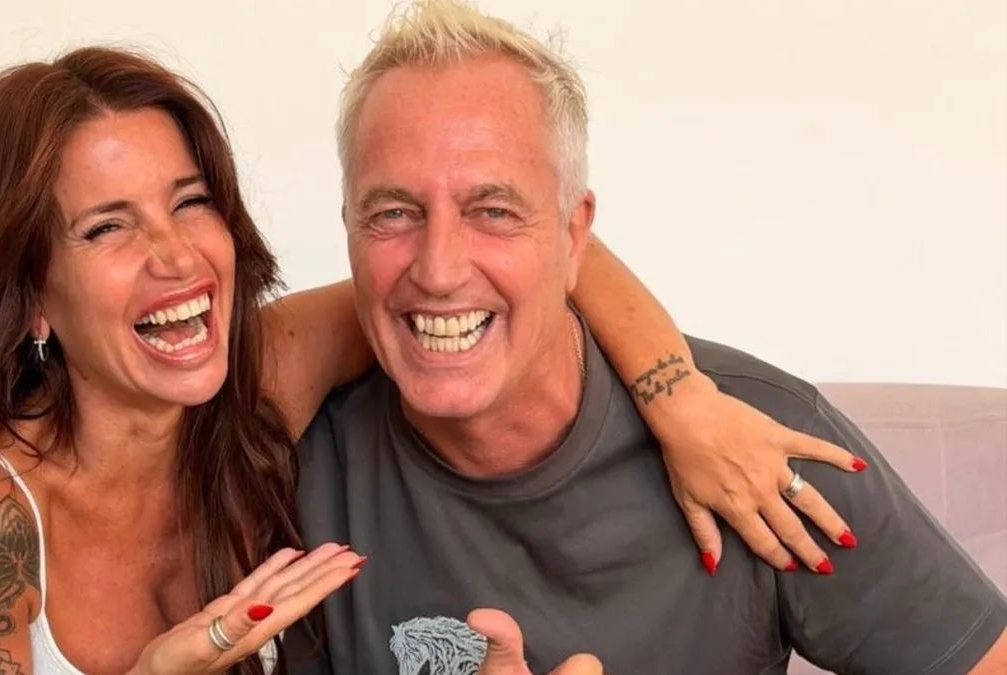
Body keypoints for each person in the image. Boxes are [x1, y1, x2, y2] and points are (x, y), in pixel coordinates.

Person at [0, 46, 861, 675]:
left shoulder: (257, 384)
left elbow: (509, 257)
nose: (176, 256)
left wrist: (679, 398)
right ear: (29, 293)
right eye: (107, 227)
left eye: (190, 202)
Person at [293, 1, 1007, 673]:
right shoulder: (290, 462)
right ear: (349, 226)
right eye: (393, 213)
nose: (440, 269)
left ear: (575, 234)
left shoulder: (759, 445)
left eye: (494, 211)